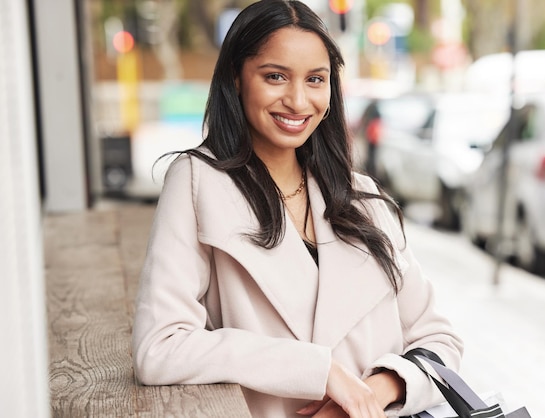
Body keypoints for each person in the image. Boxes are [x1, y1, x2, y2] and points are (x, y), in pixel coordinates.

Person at [131, 1, 463, 417]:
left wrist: (372, 392)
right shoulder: (199, 181)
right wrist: (319, 371)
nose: (297, 100)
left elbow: (440, 341)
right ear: (236, 78)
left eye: (315, 79)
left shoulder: (362, 198)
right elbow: (160, 346)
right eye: (275, 77)